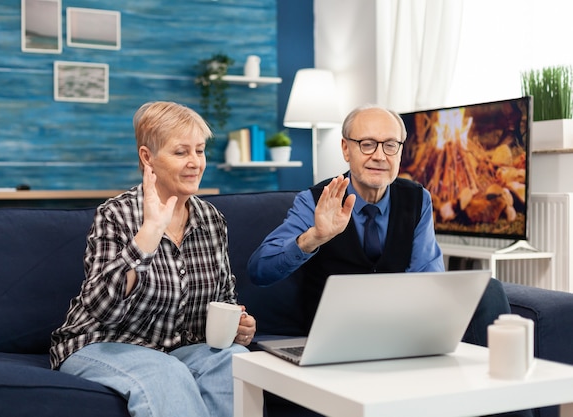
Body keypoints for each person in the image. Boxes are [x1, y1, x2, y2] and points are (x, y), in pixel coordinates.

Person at [50, 101, 256, 417]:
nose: (195, 163)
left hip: (177, 351)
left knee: (234, 360)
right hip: (102, 343)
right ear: (148, 157)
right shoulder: (117, 214)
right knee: (166, 372)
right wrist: (149, 232)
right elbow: (102, 309)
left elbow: (224, 300)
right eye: (181, 152)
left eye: (199, 151)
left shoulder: (212, 220)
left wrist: (238, 327)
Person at [247, 104, 511, 347]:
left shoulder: (418, 199)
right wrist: (314, 237)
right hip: (336, 335)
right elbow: (259, 270)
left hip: (399, 327)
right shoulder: (317, 201)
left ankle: (491, 391)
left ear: (400, 152)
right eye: (367, 144)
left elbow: (426, 277)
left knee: (490, 290)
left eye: (390, 145)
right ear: (345, 149)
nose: (379, 156)